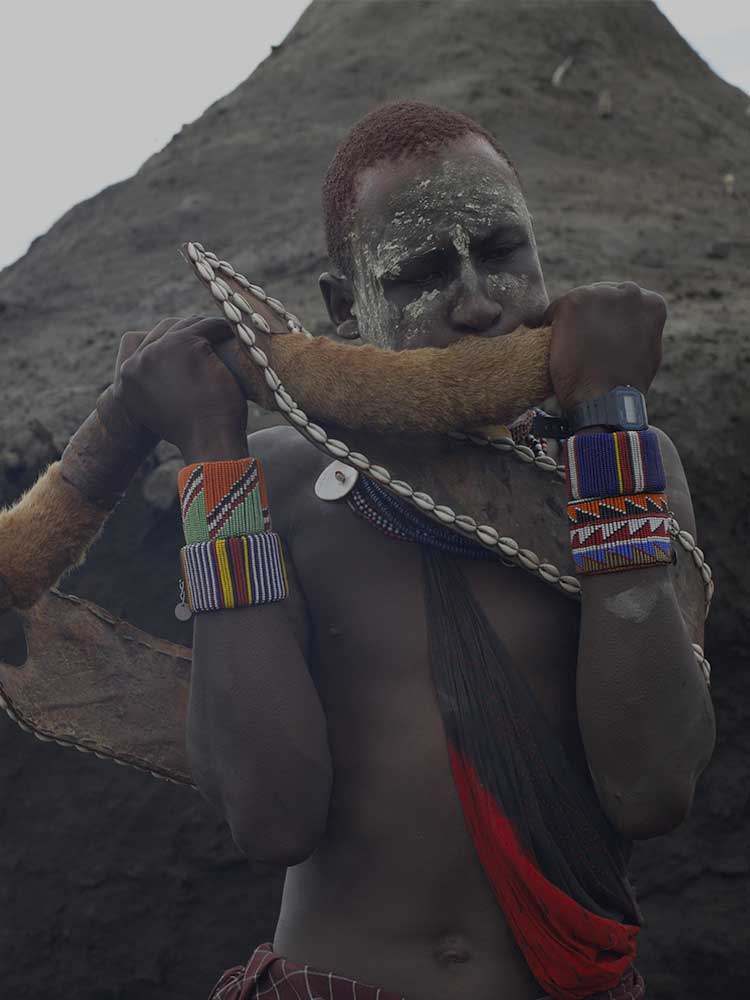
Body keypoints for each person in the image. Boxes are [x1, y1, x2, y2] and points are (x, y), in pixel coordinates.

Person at [113, 101, 715, 1000]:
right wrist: (211, 460)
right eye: (422, 273)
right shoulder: (266, 484)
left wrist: (608, 431)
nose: (478, 305)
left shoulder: (625, 465)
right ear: (343, 307)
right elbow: (269, 815)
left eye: (504, 251)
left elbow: (652, 789)